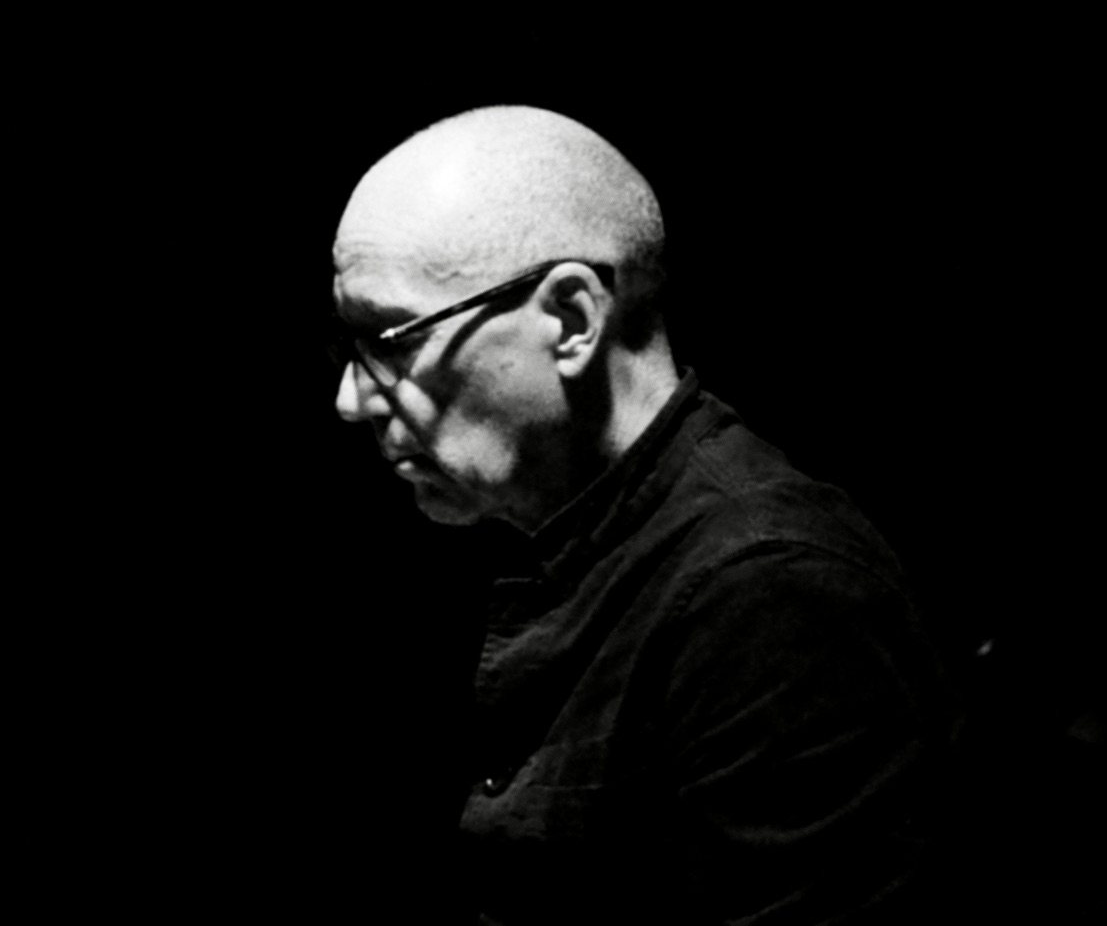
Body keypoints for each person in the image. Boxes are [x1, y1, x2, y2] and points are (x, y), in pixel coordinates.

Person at [330, 104, 958, 926]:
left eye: (390, 338)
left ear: (571, 319)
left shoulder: (771, 594)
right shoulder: (511, 531)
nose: (349, 398)